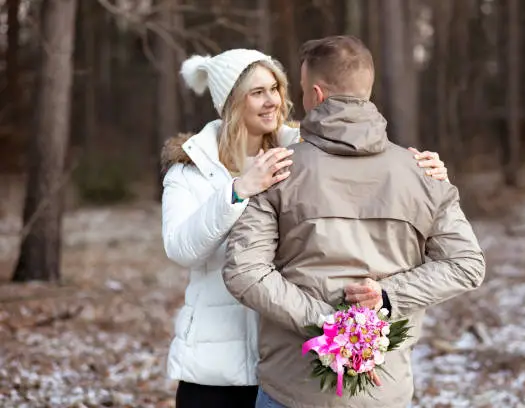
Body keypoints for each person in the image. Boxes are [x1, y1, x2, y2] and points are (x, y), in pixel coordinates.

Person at [160, 48, 449, 408]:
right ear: (230, 103)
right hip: (219, 364)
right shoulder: (190, 169)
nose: (273, 102)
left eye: (276, 88)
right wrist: (237, 191)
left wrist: (426, 174)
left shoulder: (302, 152)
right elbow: (180, 248)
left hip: (294, 358)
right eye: (257, 92)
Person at [223, 36, 486, 408]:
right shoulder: (423, 173)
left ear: (315, 94)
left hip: (293, 391)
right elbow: (467, 264)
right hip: (384, 392)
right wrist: (388, 298)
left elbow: (243, 271)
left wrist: (326, 324)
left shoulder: (278, 172)